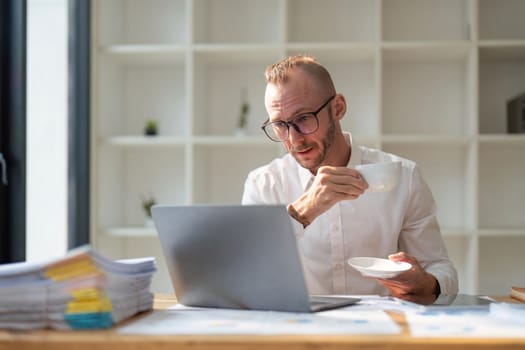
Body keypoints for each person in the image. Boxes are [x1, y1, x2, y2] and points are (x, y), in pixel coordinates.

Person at [242, 54, 458, 304]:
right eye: (280, 124)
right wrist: (303, 212)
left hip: (382, 335)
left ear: (338, 108)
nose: (294, 139)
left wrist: (425, 283)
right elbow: (247, 272)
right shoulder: (263, 184)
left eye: (303, 119)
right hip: (298, 335)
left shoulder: (404, 177)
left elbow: (442, 269)